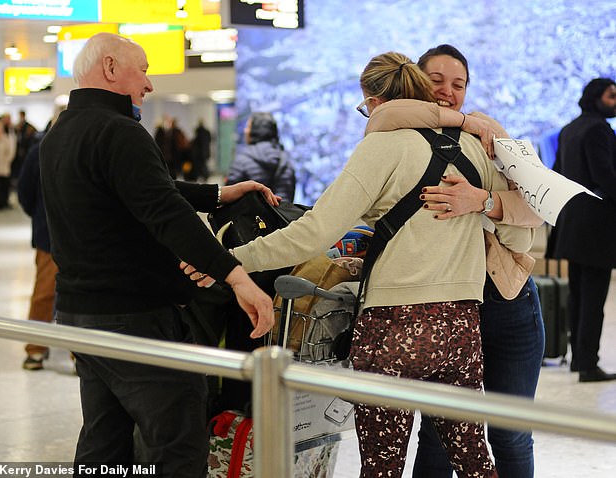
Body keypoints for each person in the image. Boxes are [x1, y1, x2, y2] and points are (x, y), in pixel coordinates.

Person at [184, 51, 534, 477]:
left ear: (374, 102)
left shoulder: (381, 146)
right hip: (460, 328)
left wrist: (228, 260)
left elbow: (312, 233)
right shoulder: (476, 149)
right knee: (474, 461)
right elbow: (520, 234)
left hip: (392, 329)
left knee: (382, 467)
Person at [39, 32, 276, 477]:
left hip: (81, 317)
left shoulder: (62, 133)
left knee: (104, 441)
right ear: (110, 68)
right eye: (143, 69)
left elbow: (136, 190)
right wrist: (237, 277)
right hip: (137, 318)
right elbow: (165, 212)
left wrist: (217, 194)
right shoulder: (120, 131)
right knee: (179, 443)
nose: (149, 85)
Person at [366, 44, 545, 478]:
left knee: (510, 432)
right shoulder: (398, 132)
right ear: (415, 83)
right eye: (436, 81)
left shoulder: (487, 135)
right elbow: (382, 116)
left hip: (505, 299)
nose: (447, 92)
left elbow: (535, 207)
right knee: (441, 433)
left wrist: (481, 200)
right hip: (442, 307)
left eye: (458, 84)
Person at [547, 77, 616, 382]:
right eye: (612, 96)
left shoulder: (569, 129)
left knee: (578, 294)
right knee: (593, 298)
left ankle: (579, 360)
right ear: (596, 97)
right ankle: (587, 363)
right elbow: (605, 175)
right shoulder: (599, 128)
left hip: (572, 222)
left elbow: (558, 174)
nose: (615, 102)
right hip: (596, 226)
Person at [17, 108, 63, 371]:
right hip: (48, 236)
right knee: (44, 293)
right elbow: (25, 191)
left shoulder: (85, 146)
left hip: (82, 239)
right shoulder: (39, 151)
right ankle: (35, 348)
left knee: (80, 296)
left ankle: (80, 352)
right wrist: (39, 216)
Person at [226, 111, 296, 202]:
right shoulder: (285, 159)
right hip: (281, 214)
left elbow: (229, 194)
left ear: (255, 131)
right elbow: (288, 194)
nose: (245, 130)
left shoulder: (242, 159)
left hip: (250, 215)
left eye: (248, 127)